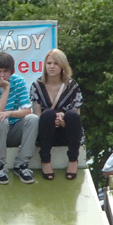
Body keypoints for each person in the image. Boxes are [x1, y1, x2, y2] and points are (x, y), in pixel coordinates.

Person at [0, 51, 39, 184]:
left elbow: (27, 110)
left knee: (33, 119)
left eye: (5, 71)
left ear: (12, 71)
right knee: (1, 119)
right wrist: (6, 88)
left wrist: (9, 113)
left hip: (12, 129)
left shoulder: (19, 81)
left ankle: (22, 165)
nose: (2, 75)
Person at [30, 48, 84, 180]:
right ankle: (45, 160)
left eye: (56, 63)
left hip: (67, 132)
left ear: (62, 66)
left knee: (72, 116)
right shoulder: (37, 86)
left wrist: (63, 121)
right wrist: (52, 120)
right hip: (46, 133)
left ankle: (73, 160)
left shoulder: (72, 86)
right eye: (49, 63)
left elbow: (77, 114)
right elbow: (37, 116)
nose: (52, 67)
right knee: (48, 114)